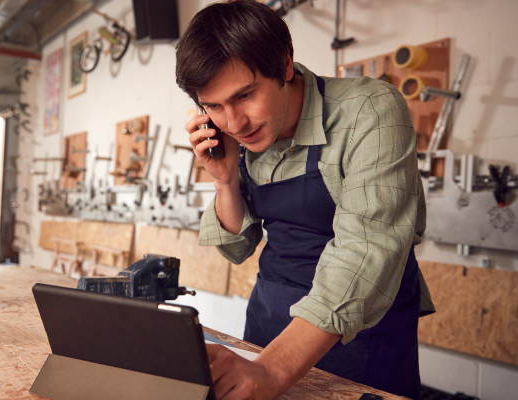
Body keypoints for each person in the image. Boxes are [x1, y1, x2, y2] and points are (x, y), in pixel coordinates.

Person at [175, 2, 434, 399]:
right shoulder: (239, 135)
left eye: (244, 95)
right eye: (213, 106)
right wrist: (224, 179)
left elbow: (365, 252)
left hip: (358, 332)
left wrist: (273, 371)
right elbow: (236, 248)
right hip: (269, 322)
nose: (234, 123)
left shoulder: (368, 110)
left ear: (285, 66)